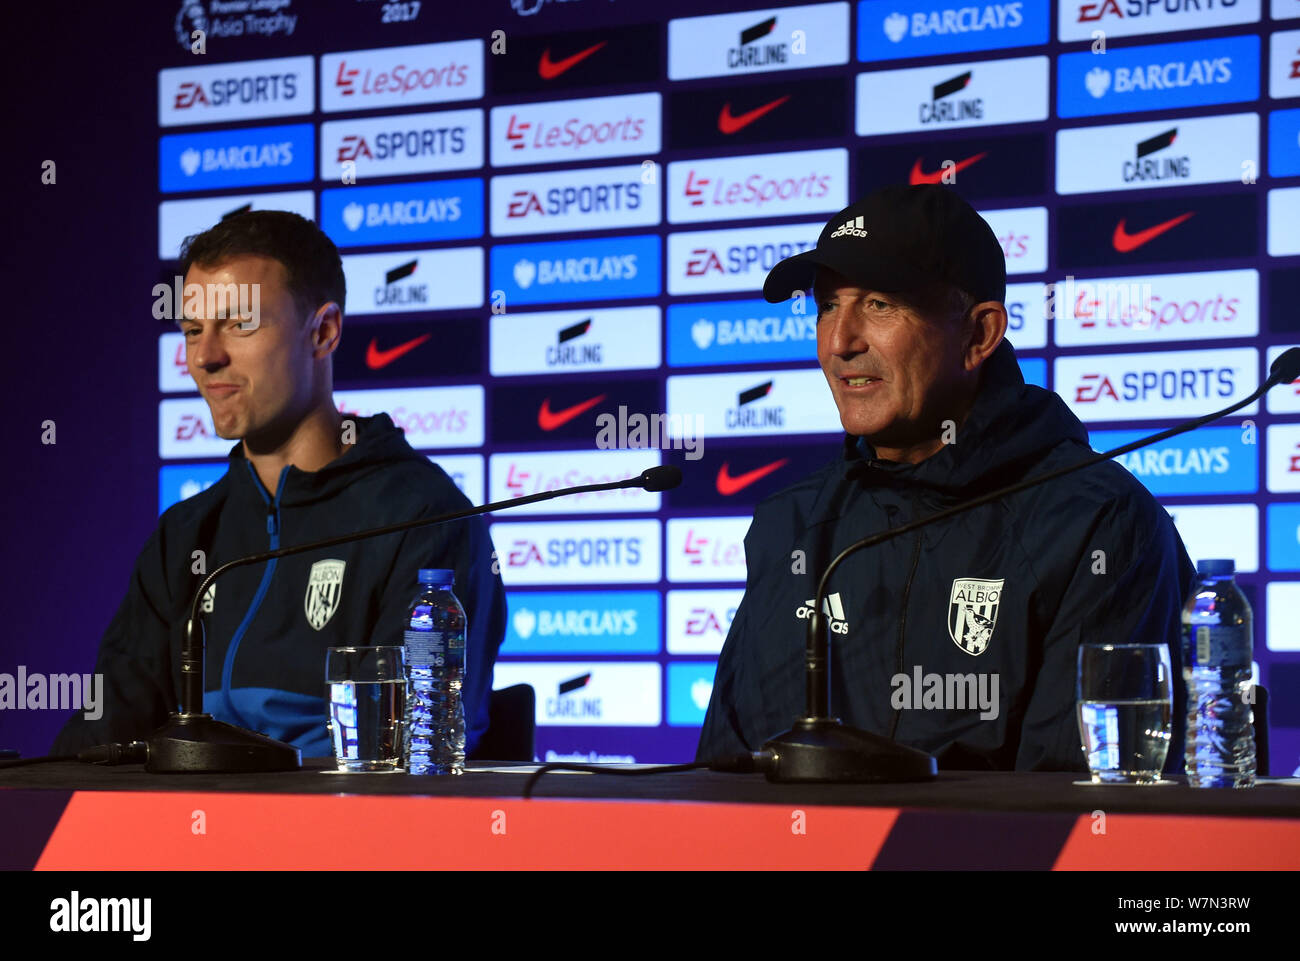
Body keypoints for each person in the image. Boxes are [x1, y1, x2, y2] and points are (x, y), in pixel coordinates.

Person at [696, 184, 1194, 772]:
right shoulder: (790, 525)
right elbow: (723, 776)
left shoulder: (1098, 524)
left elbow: (1077, 817)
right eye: (828, 305)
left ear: (979, 334)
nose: (839, 342)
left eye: (879, 305)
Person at [52, 210, 506, 759]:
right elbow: (103, 741)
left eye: (238, 324)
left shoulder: (424, 519)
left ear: (322, 331)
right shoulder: (186, 537)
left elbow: (403, 755)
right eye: (193, 330)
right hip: (182, 842)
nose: (205, 356)